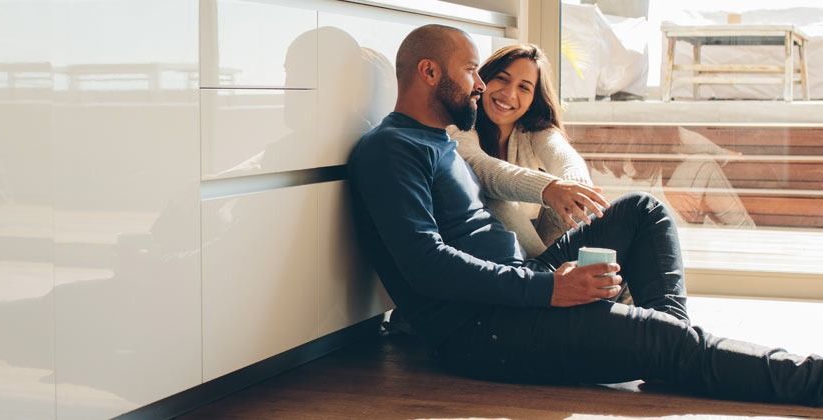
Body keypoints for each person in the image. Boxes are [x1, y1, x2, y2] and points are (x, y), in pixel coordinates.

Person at [347, 23, 823, 407]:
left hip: (521, 288)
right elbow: (426, 265)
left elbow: (525, 168)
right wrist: (549, 289)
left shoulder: (441, 140)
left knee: (644, 210)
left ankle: (662, 346)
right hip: (483, 331)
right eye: (472, 70)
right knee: (671, 345)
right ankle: (803, 378)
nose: (479, 84)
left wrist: (543, 274)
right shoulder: (391, 149)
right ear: (429, 73)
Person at [449, 44, 596, 257]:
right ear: (484, 80)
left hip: (538, 241)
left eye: (524, 87)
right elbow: (481, 166)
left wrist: (577, 188)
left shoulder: (534, 131)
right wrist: (549, 188)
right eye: (502, 78)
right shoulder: (460, 127)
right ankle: (548, 272)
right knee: (496, 196)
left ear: (533, 99)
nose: (509, 93)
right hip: (488, 249)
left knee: (643, 206)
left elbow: (564, 157)